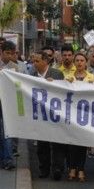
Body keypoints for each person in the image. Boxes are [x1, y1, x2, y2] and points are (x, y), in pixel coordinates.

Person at [30, 51, 67, 180]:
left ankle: (57, 168)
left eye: (37, 61)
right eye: (33, 61)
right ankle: (44, 169)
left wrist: (54, 84)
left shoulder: (57, 74)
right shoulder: (32, 75)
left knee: (57, 143)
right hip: (40, 115)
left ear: (45, 61)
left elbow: (63, 92)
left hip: (55, 114)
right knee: (42, 145)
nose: (34, 64)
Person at [66, 52, 94, 182]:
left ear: (86, 62)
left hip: (86, 114)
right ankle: (72, 168)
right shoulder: (68, 76)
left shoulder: (92, 77)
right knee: (72, 143)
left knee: (82, 143)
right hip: (71, 114)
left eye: (82, 60)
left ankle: (81, 169)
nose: (79, 63)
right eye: (77, 60)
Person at [0, 41, 18, 170]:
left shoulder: (15, 68)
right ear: (1, 52)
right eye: (7, 53)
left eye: (11, 54)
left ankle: (8, 159)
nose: (9, 56)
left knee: (6, 131)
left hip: (7, 102)